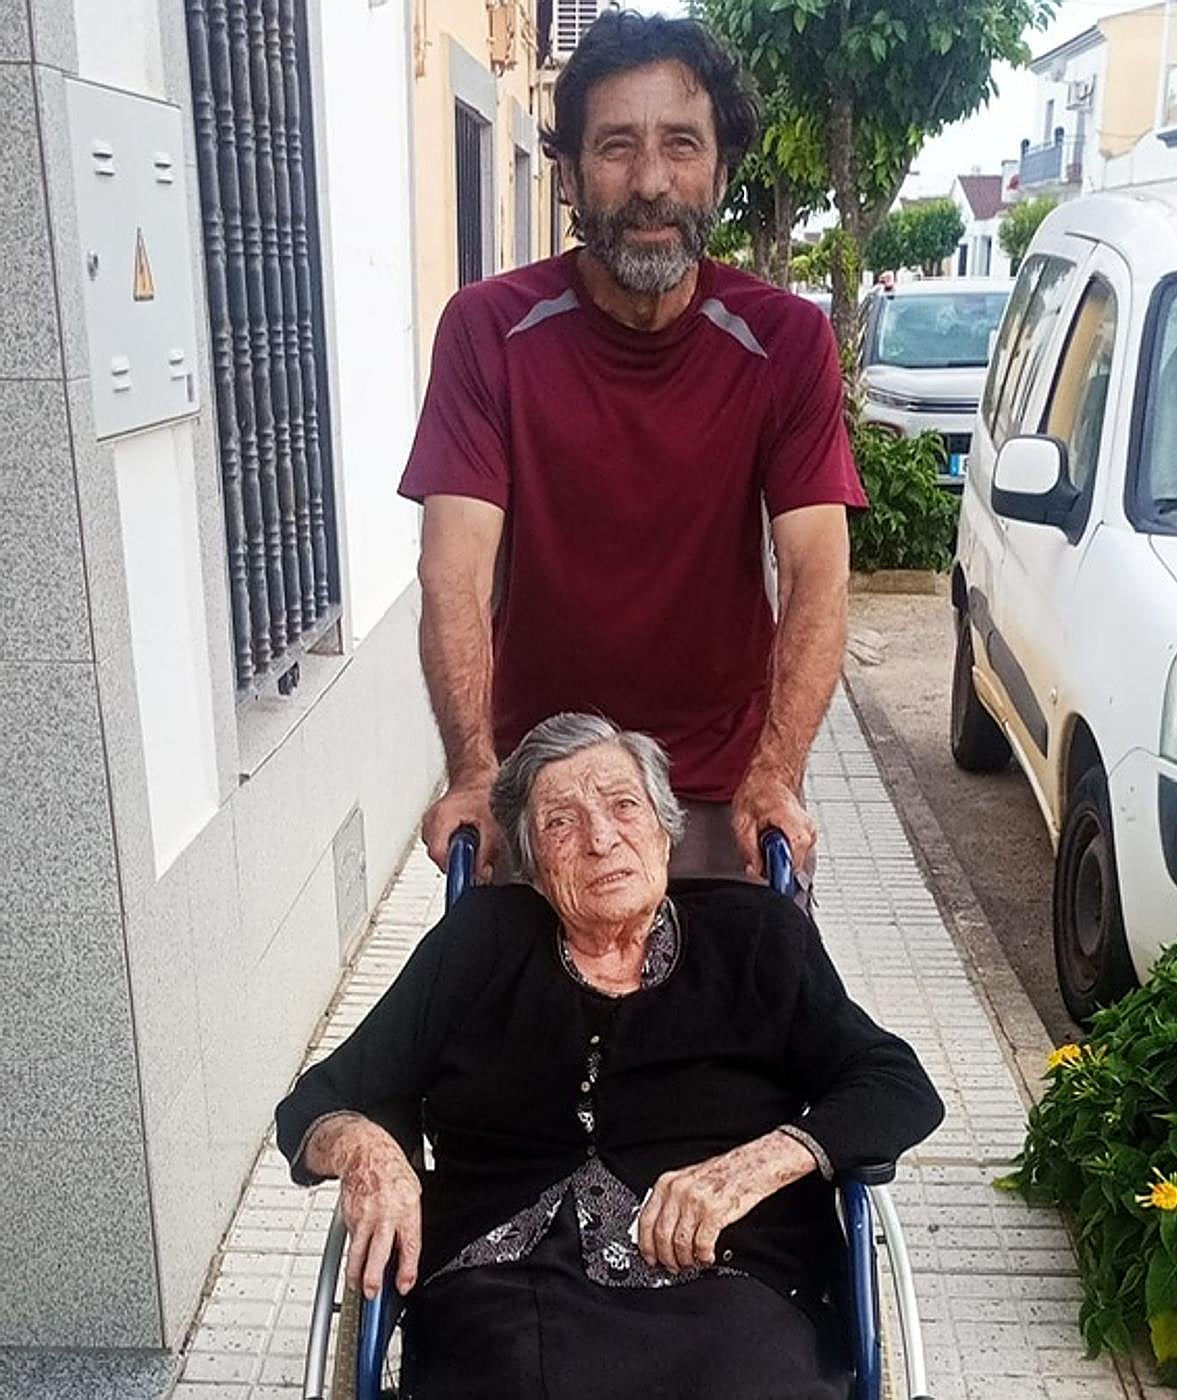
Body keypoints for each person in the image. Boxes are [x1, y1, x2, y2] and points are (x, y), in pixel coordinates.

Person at [276, 713, 943, 1400]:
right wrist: (365, 1150)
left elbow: (894, 1085)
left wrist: (750, 1168)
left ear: (663, 825)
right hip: (502, 1298)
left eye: (624, 805)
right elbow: (316, 1103)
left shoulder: (755, 938)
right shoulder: (478, 944)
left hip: (728, 1284)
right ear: (532, 862)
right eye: (561, 823)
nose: (601, 839)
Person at [399, 11, 867, 889]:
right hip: (545, 794)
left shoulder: (786, 342)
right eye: (615, 146)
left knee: (769, 1016)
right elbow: (452, 573)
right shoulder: (487, 332)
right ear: (569, 172)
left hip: (721, 801)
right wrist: (473, 769)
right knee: (507, 1021)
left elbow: (815, 572)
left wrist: (776, 775)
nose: (651, 180)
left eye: (681, 144)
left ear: (719, 168)